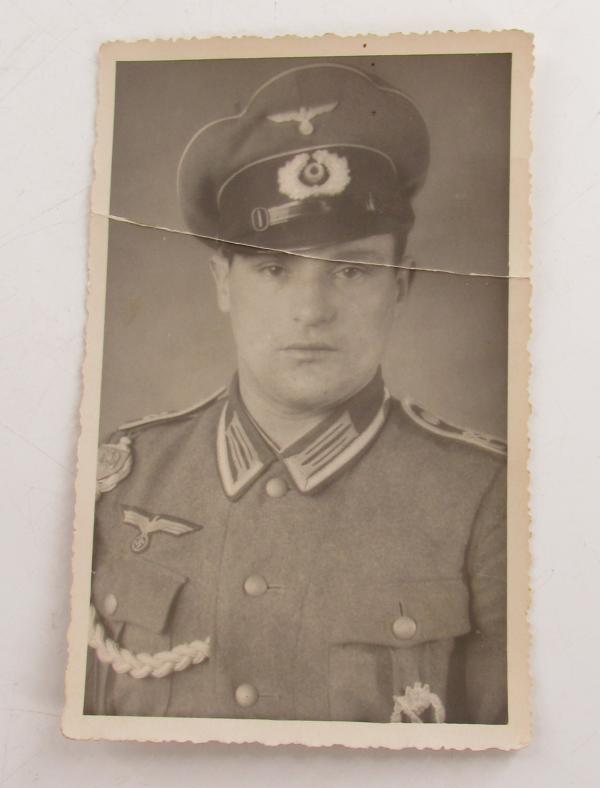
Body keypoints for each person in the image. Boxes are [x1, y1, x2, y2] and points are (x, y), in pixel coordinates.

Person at [85, 63, 507, 724]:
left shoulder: (487, 499)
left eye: (351, 268)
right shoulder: (121, 482)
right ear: (223, 281)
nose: (312, 310)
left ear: (402, 283)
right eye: (274, 269)